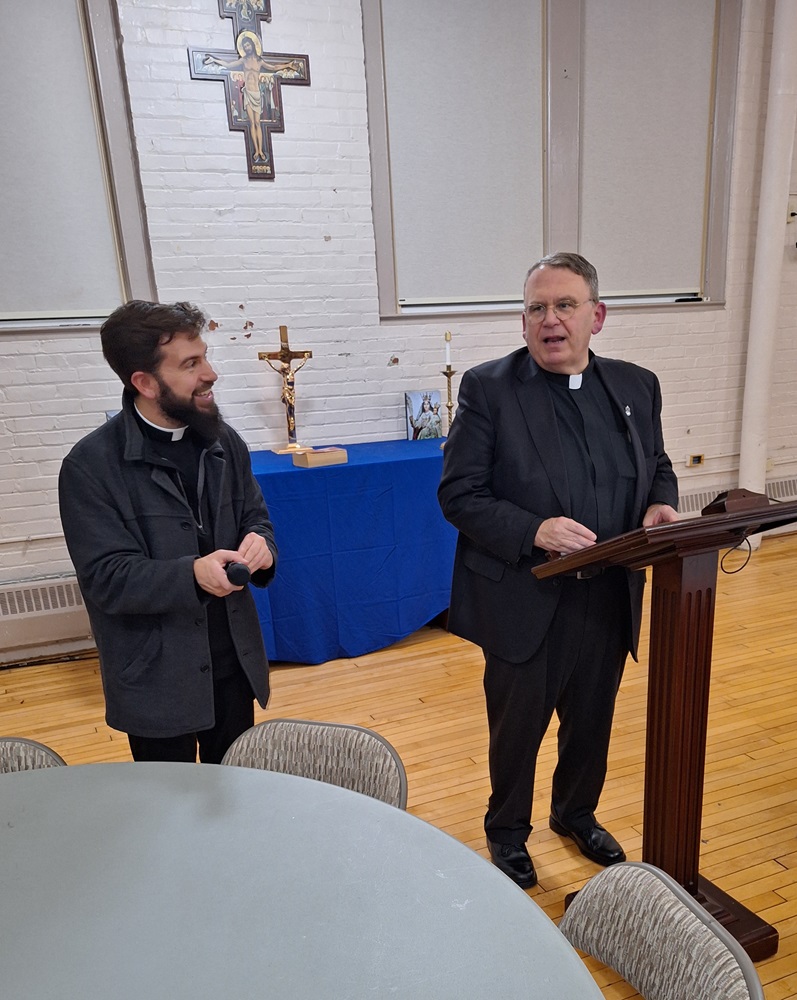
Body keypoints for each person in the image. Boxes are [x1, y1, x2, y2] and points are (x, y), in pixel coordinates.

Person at [438, 253, 679, 888]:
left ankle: (575, 813)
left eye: (565, 306)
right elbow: (459, 494)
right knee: (517, 727)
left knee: (592, 719)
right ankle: (506, 831)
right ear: (523, 322)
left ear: (596, 317)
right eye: (537, 308)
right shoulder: (489, 390)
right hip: (527, 594)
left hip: (609, 590)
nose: (550, 320)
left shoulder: (637, 386)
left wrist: (661, 502)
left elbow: (658, 462)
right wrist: (534, 530)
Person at [58, 300, 277, 764]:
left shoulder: (224, 442)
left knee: (237, 791)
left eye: (205, 357)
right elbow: (107, 579)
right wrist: (192, 574)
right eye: (191, 364)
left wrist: (262, 545)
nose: (211, 374)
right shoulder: (90, 467)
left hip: (233, 667)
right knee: (169, 802)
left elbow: (256, 518)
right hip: (155, 677)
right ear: (145, 382)